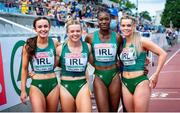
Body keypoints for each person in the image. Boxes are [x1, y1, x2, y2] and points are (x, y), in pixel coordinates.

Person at [119, 15, 167, 112]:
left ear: (134, 26)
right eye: (123, 25)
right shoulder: (121, 42)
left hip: (140, 82)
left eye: (128, 25)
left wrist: (156, 74)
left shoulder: (142, 41)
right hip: (125, 83)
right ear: (120, 26)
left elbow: (163, 54)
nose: (126, 28)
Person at [85, 9, 123, 112]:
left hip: (114, 76)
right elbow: (84, 54)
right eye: (101, 19)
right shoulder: (90, 37)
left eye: (106, 19)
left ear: (110, 20)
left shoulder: (118, 37)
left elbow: (123, 58)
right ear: (97, 21)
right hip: (99, 76)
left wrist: (140, 68)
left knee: (113, 110)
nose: (104, 22)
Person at [20, 17, 60, 112]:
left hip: (53, 85)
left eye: (46, 26)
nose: (43, 29)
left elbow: (62, 59)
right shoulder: (28, 45)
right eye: (40, 27)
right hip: (37, 85)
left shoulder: (55, 43)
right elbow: (24, 69)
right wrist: (23, 90)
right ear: (35, 29)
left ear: (49, 27)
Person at [56, 19, 92, 112]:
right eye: (72, 31)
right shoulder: (60, 49)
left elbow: (90, 66)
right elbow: (51, 67)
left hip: (82, 85)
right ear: (67, 33)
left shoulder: (87, 47)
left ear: (81, 32)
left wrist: (88, 85)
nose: (75, 34)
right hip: (66, 86)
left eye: (77, 31)